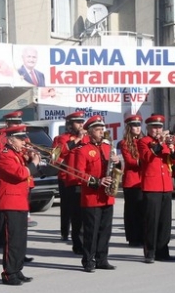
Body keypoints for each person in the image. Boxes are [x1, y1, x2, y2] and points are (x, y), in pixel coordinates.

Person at [73, 116, 118, 272]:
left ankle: (102, 259)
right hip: (92, 196)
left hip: (107, 196)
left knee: (105, 230)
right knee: (91, 231)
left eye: (102, 129)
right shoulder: (83, 149)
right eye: (98, 130)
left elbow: (115, 169)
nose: (101, 132)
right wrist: (98, 181)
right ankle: (88, 260)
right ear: (90, 132)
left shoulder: (108, 147)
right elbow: (78, 174)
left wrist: (117, 161)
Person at [0, 124, 39, 285]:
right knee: (12, 240)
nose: (24, 142)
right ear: (11, 140)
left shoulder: (17, 154)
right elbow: (20, 174)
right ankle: (8, 273)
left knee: (20, 239)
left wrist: (30, 159)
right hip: (9, 201)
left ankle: (17, 269)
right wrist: (33, 163)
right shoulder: (4, 155)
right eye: (20, 139)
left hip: (19, 201)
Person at [137, 114, 175, 263]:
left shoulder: (165, 142)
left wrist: (172, 149)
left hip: (165, 185)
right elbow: (147, 157)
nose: (158, 130)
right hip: (151, 185)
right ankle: (150, 252)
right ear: (147, 128)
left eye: (159, 127)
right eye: (154, 127)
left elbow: (173, 159)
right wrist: (160, 143)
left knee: (165, 222)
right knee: (151, 220)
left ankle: (163, 251)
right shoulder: (143, 142)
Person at [52, 111, 87, 254]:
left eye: (81, 122)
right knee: (69, 209)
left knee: (83, 212)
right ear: (70, 124)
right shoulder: (62, 138)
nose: (81, 125)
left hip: (83, 178)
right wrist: (75, 141)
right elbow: (55, 157)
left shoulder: (87, 138)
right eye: (77, 122)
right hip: (67, 178)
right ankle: (66, 232)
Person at [0, 111, 24, 248]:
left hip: (21, 181)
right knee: (2, 216)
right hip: (6, 180)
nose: (17, 125)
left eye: (19, 122)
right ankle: (1, 241)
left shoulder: (23, 138)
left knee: (18, 220)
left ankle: (15, 244)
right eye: (15, 123)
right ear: (7, 123)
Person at [119, 114, 144, 248]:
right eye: (134, 125)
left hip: (143, 180)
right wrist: (146, 160)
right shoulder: (125, 143)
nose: (138, 128)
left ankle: (142, 236)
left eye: (139, 125)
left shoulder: (144, 141)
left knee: (143, 210)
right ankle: (133, 238)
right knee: (132, 211)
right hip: (132, 180)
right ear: (129, 127)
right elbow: (131, 161)